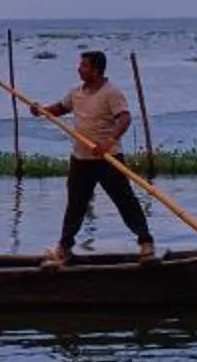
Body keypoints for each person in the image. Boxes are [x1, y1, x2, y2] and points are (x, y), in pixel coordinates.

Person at [33, 49, 155, 267]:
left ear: (96, 70)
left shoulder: (111, 93)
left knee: (125, 200)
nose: (79, 69)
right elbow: (61, 108)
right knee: (75, 204)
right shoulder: (76, 92)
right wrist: (41, 110)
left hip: (108, 158)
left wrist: (109, 141)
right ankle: (64, 246)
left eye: (84, 66)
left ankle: (145, 242)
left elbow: (124, 118)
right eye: (80, 66)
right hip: (81, 159)